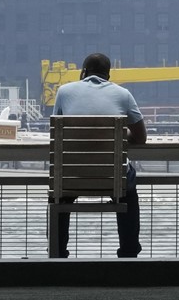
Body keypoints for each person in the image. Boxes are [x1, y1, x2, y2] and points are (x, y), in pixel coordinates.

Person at [50, 53, 145, 257]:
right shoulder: (123, 94)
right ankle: (129, 251)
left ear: (83, 72)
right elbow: (141, 137)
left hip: (71, 177)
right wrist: (116, 135)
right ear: (108, 75)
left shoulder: (64, 91)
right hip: (112, 178)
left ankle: (57, 251)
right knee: (128, 192)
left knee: (59, 195)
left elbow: (58, 131)